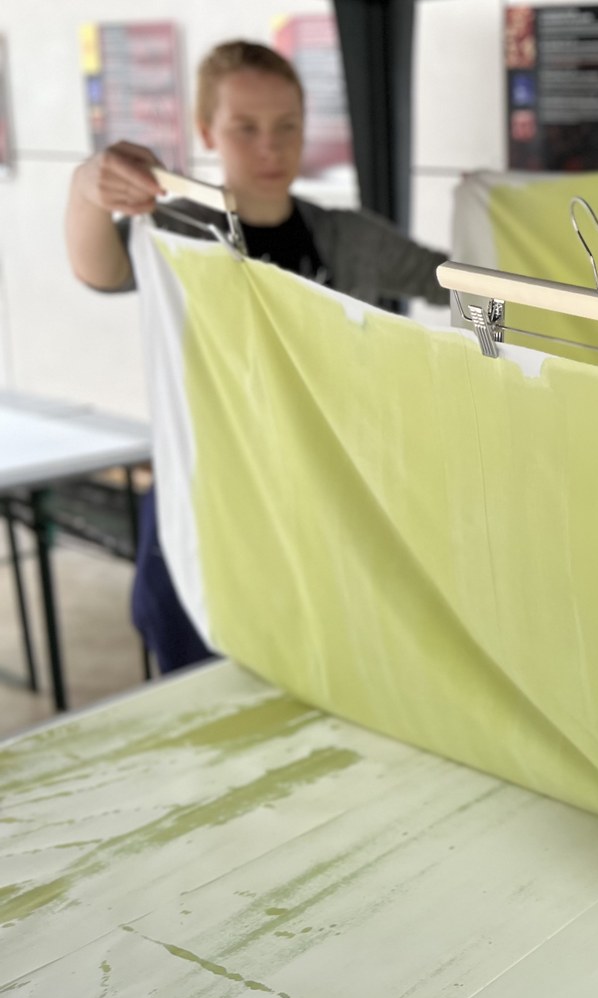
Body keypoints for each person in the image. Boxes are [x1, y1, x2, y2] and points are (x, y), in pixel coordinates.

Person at [65, 40, 449, 674]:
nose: (271, 147)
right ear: (206, 131)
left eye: (287, 126)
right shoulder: (175, 230)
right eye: (246, 128)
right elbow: (98, 268)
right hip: (204, 507)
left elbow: (456, 279)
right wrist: (88, 186)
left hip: (316, 506)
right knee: (206, 689)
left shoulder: (348, 238)